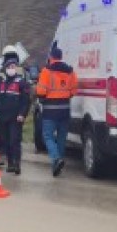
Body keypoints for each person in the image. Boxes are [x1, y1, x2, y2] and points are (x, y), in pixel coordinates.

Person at [35, 47, 77, 176]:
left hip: (50, 110)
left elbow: (41, 91)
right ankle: (57, 166)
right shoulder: (70, 71)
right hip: (65, 109)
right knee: (61, 138)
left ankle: (56, 159)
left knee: (47, 136)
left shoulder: (46, 71)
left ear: (51, 57)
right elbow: (73, 91)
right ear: (61, 56)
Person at [0, 57, 31, 174]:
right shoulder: (1, 83)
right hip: (2, 117)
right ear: (5, 69)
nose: (11, 69)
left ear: (16, 68)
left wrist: (22, 114)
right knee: (6, 141)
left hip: (15, 117)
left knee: (14, 140)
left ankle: (17, 163)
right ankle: (10, 164)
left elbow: (25, 101)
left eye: (13, 67)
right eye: (9, 67)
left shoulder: (21, 83)